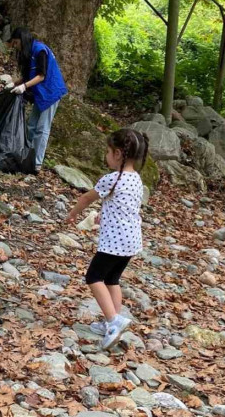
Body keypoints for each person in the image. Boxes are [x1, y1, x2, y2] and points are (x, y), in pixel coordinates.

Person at [66, 128, 148, 350]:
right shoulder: (136, 179)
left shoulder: (112, 179)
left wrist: (73, 214)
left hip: (114, 242)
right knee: (112, 280)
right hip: (131, 241)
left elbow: (86, 197)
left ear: (118, 154)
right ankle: (112, 320)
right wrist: (105, 216)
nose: (106, 155)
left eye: (108, 151)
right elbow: (125, 206)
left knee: (94, 277)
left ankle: (113, 322)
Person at [6, 27, 68, 173]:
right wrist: (14, 83)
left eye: (16, 42)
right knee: (31, 126)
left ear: (23, 39)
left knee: (42, 128)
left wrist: (24, 87)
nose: (16, 46)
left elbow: (41, 76)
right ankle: (27, 156)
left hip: (51, 92)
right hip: (40, 94)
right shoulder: (29, 53)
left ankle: (37, 163)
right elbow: (29, 75)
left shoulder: (40, 50)